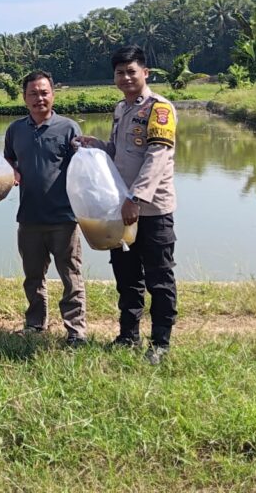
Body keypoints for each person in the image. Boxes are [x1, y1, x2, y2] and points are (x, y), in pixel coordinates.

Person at [76, 45, 178, 365]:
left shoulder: (159, 109)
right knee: (127, 274)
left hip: (152, 209)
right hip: (122, 209)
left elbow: (156, 157)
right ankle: (128, 335)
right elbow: (122, 154)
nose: (126, 77)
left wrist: (137, 198)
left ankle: (160, 342)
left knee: (159, 277)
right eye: (120, 72)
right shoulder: (121, 109)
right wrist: (99, 146)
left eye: (132, 71)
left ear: (145, 73)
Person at [4, 71, 87, 346]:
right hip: (29, 217)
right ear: (24, 98)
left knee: (70, 276)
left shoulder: (69, 128)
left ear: (52, 94)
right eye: (33, 94)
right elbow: (8, 161)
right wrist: (11, 172)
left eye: (44, 92)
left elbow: (83, 168)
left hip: (64, 217)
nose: (39, 98)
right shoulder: (15, 129)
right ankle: (35, 323)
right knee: (33, 277)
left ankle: (76, 330)